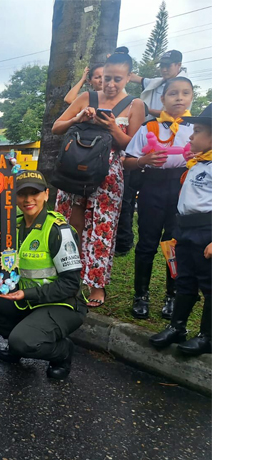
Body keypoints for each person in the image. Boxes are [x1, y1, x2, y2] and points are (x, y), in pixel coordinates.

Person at [52, 51, 145, 308]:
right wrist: (78, 118)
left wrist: (112, 127)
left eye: (117, 79)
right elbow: (57, 127)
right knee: (70, 225)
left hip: (108, 176)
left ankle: (96, 284)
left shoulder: (135, 105)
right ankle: (66, 278)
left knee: (102, 229)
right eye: (106, 78)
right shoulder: (87, 97)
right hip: (74, 171)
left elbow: (134, 147)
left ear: (128, 77)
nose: (111, 84)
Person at [0, 171, 87, 380]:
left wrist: (26, 294)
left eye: (34, 193)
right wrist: (1, 250)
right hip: (26, 298)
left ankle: (62, 351)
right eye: (22, 194)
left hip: (62, 303)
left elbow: (70, 285)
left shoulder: (58, 230)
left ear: (46, 194)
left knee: (23, 341)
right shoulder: (14, 225)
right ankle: (18, 341)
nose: (28, 199)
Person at [123, 77, 195, 319]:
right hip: (152, 186)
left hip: (183, 187)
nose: (179, 98)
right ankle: (140, 295)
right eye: (173, 93)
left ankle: (172, 296)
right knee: (147, 242)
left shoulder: (198, 129)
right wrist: (143, 161)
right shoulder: (149, 127)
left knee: (174, 243)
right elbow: (127, 160)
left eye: (185, 93)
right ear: (162, 99)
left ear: (191, 97)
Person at [148, 104, 212, 355]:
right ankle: (177, 327)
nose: (191, 137)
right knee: (184, 280)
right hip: (185, 230)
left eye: (197, 131)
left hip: (207, 232)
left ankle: (208, 336)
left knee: (210, 285)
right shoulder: (198, 163)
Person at [129, 50, 188, 118]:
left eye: (168, 66)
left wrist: (146, 109)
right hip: (150, 124)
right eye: (162, 66)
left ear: (178, 65)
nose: (164, 70)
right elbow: (134, 78)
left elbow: (172, 114)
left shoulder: (184, 87)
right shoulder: (158, 82)